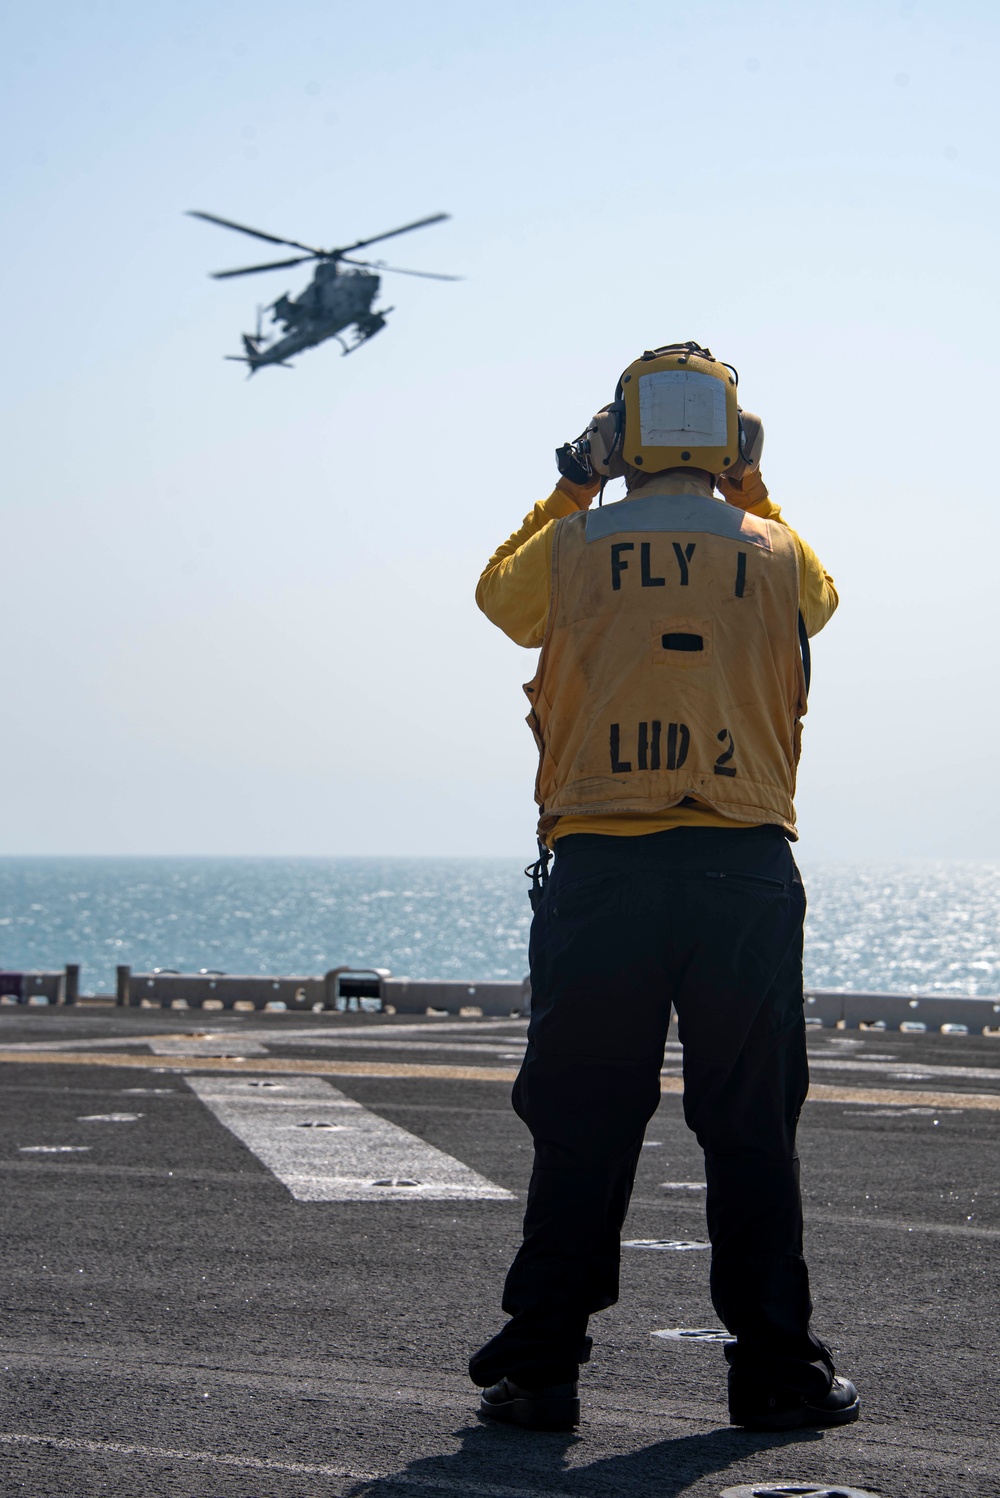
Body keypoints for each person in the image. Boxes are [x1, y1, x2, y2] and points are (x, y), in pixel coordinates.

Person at [469, 342, 859, 1433]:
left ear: (622, 433)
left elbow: (500, 601)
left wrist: (571, 479)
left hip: (604, 864)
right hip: (741, 866)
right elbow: (819, 606)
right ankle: (777, 1368)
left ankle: (541, 1365)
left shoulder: (578, 543)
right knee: (749, 1127)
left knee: (582, 1121)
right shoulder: (775, 549)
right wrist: (752, 487)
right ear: (730, 437)